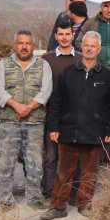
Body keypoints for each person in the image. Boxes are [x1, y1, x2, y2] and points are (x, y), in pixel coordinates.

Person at [41, 31, 110, 220]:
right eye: (86, 45)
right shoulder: (69, 73)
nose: (90, 48)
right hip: (69, 131)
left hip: (95, 132)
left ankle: (84, 204)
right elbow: (56, 102)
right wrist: (54, 127)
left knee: (89, 173)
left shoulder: (107, 77)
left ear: (99, 49)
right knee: (64, 172)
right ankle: (58, 206)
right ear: (81, 47)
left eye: (93, 46)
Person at [0, 30, 53, 210]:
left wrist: (28, 108)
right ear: (15, 45)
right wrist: (16, 105)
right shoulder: (4, 64)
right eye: (21, 43)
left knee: (35, 162)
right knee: (5, 162)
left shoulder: (43, 65)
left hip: (35, 122)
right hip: (8, 122)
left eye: (28, 43)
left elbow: (46, 90)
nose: (24, 46)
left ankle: (35, 198)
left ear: (33, 46)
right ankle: (4, 200)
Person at [41, 19, 82, 198]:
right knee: (51, 157)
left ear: (73, 36)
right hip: (52, 115)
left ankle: (73, 192)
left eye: (68, 34)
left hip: (76, 116)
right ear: (56, 36)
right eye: (61, 34)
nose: (64, 38)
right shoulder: (46, 59)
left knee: (74, 157)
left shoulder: (81, 58)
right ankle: (50, 192)